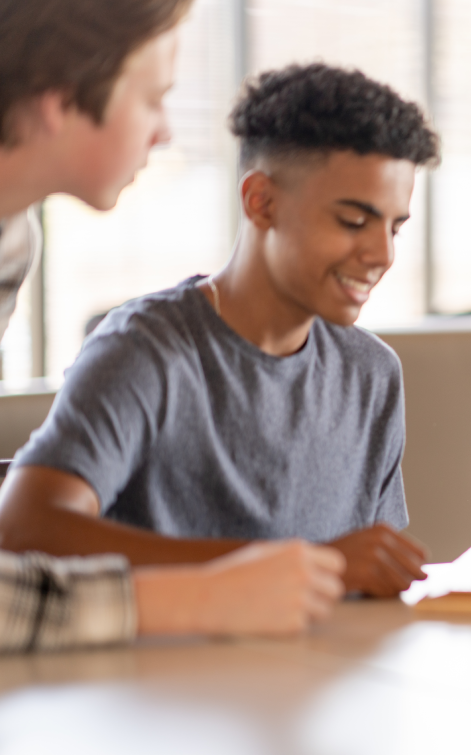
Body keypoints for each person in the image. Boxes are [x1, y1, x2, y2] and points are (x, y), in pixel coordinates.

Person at [0, 62, 441, 609]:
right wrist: (295, 566)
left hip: (319, 682)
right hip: (164, 685)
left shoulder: (372, 375)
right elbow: (23, 527)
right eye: (354, 221)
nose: (383, 254)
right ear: (261, 202)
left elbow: (372, 580)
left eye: (394, 227)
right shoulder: (145, 350)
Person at [0, 0, 347, 651]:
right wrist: (202, 593)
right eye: (154, 97)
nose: (164, 132)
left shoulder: (12, 238)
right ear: (60, 97)